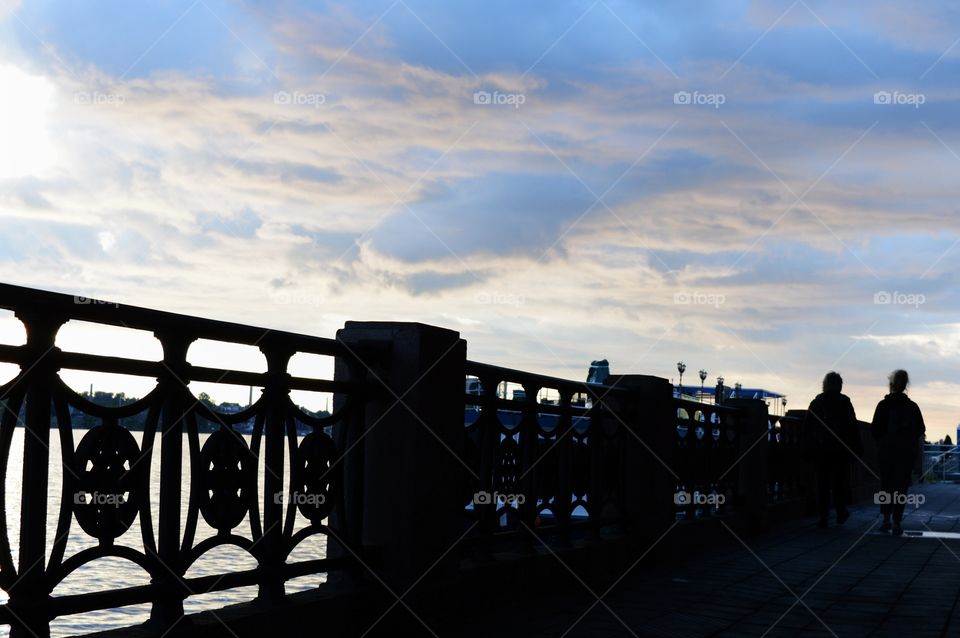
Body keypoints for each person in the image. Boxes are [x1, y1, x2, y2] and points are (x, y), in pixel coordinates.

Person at [804, 371, 862, 527]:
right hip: (840, 449)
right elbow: (852, 427)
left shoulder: (817, 402)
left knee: (822, 483)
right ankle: (841, 511)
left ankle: (823, 516)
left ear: (825, 384)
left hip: (821, 449)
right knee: (839, 482)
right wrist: (856, 449)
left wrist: (808, 447)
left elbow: (808, 427)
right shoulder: (845, 402)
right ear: (839, 386)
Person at [871, 369, 925, 536]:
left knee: (886, 485)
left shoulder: (883, 405)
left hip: (887, 451)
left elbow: (875, 430)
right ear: (906, 385)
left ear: (891, 384)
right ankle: (896, 521)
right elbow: (920, 429)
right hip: (905, 453)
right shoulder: (912, 407)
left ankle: (886, 519)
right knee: (901, 487)